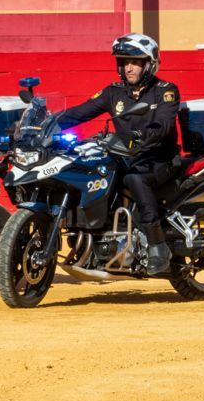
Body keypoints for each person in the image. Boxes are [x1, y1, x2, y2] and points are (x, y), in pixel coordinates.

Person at [56, 34, 181, 275]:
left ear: (150, 63)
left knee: (134, 178)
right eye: (124, 62)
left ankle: (157, 245)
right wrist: (47, 124)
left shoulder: (165, 91)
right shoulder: (114, 92)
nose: (128, 67)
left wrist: (141, 136)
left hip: (159, 159)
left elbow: (165, 124)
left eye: (135, 62)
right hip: (127, 157)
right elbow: (80, 112)